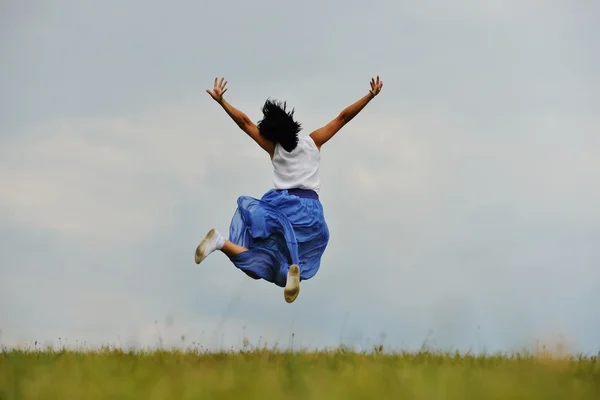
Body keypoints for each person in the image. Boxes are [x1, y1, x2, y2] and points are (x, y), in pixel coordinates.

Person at [194, 76, 384, 303]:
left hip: (281, 208)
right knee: (284, 265)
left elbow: (245, 123)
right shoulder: (313, 141)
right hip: (309, 212)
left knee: (261, 262)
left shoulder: (273, 148)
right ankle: (292, 268)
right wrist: (370, 96)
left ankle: (221, 242)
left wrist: (222, 101)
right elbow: (343, 118)